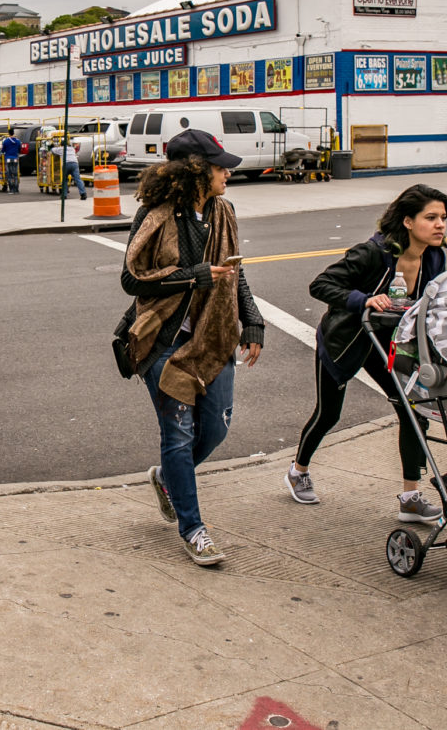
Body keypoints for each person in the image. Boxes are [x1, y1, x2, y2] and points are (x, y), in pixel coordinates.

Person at [121, 129, 265, 566]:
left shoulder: (225, 211)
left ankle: (167, 479)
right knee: (179, 434)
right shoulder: (156, 214)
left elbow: (234, 271)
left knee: (216, 428)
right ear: (196, 171)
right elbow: (131, 280)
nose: (228, 173)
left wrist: (253, 321)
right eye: (221, 166)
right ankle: (194, 529)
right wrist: (195, 275)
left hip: (213, 336)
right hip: (164, 340)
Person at [285, 184, 447, 523]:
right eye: (430, 218)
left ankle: (410, 497)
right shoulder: (373, 253)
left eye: (443, 218)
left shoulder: (434, 256)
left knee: (412, 411)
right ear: (407, 221)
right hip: (348, 340)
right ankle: (298, 470)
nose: (440, 225)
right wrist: (364, 299)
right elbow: (321, 284)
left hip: (389, 345)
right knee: (329, 414)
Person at [0, 128, 22, 194]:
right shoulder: (18, 141)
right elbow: (19, 150)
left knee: (9, 175)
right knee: (15, 175)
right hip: (15, 159)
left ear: (8, 133)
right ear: (13, 133)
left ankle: (11, 190)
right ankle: (16, 189)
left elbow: (3, 150)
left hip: (8, 159)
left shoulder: (6, 141)